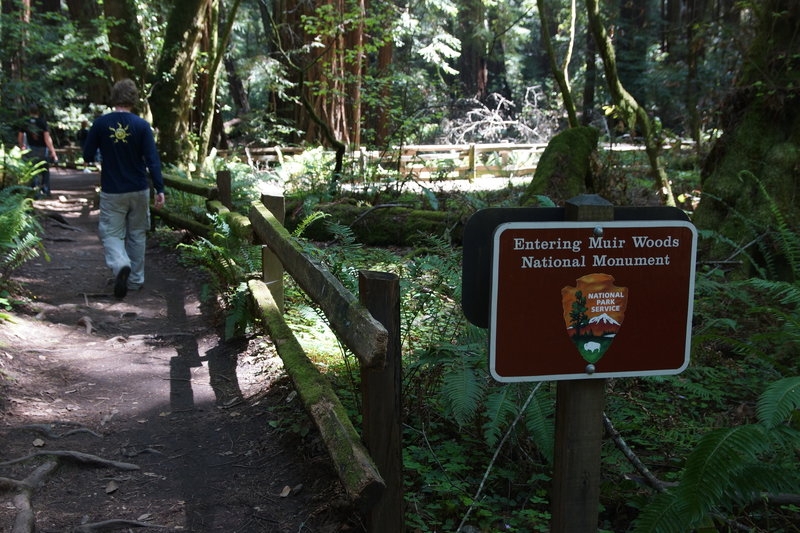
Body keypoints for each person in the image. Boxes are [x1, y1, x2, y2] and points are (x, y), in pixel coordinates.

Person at [82, 79, 165, 299]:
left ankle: (121, 265)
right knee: (137, 234)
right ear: (134, 99)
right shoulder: (141, 125)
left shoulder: (101, 124)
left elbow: (87, 155)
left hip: (113, 190)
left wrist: (103, 153)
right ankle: (136, 280)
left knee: (111, 233)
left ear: (114, 97)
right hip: (139, 189)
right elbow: (152, 159)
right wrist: (160, 188)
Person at [18, 103, 58, 197]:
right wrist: (52, 151)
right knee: (44, 170)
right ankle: (45, 190)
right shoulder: (42, 122)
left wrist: (21, 147)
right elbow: (47, 138)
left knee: (33, 171)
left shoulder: (25, 122)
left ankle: (34, 192)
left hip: (29, 149)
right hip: (42, 149)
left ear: (29, 111)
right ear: (38, 112)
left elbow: (20, 137)